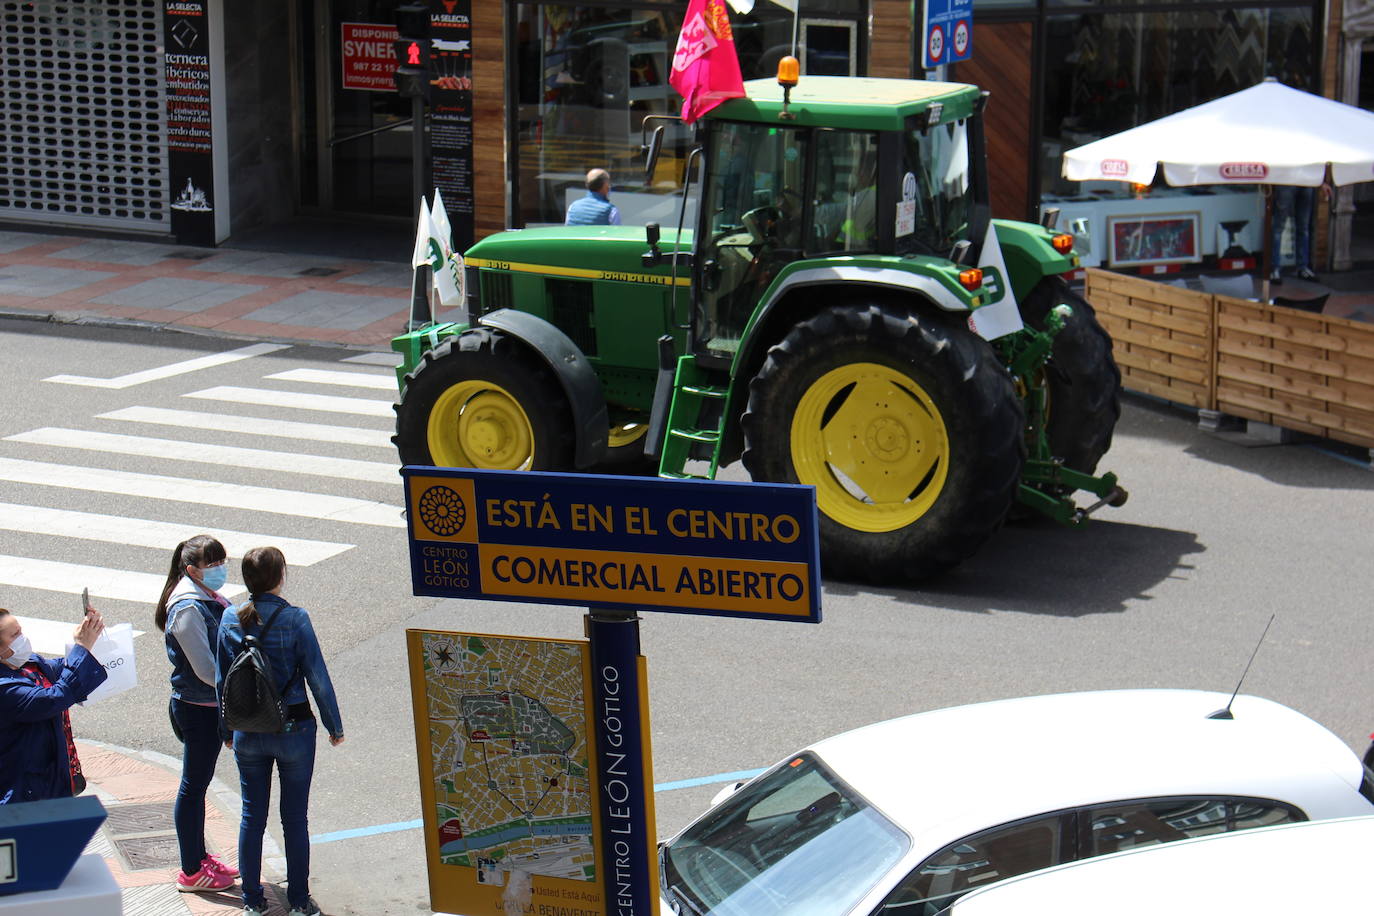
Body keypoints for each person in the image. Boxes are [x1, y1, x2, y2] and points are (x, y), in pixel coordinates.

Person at [216, 547, 344, 916]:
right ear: (280, 576)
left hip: (248, 730)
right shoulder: (295, 619)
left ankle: (253, 900)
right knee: (295, 818)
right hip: (294, 729)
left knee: (251, 816)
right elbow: (317, 677)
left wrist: (226, 727)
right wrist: (334, 725)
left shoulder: (229, 619)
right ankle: (300, 901)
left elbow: (222, 680)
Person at [155, 535, 240, 893]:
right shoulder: (188, 608)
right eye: (213, 565)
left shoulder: (206, 595)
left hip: (206, 706)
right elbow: (206, 669)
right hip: (197, 709)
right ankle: (191, 870)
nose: (220, 570)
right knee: (193, 787)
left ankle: (199, 857)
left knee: (197, 785)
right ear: (192, 569)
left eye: (222, 562)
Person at [0, 605, 107, 804]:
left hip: (49, 778)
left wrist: (88, 636)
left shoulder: (28, 664)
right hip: (22, 791)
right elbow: (54, 698)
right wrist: (82, 648)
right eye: (15, 635)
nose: (23, 639)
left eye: (20, 631)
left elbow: (65, 667)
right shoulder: (4, 689)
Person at [1270, 185, 1318, 283]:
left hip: (1306, 181)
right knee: (1278, 227)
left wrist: (1323, 182)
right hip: (1287, 180)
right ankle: (1274, 268)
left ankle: (1302, 267)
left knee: (1303, 227)